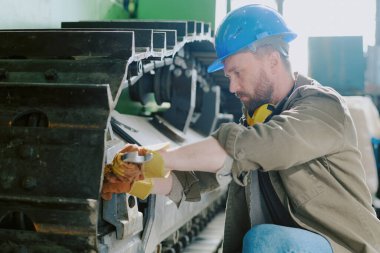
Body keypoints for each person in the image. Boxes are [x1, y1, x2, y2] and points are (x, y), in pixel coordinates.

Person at [103, 4, 380, 253]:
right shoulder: (257, 122)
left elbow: (256, 145)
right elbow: (191, 179)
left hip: (345, 247)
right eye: (228, 76)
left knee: (264, 241)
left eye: (238, 72)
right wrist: (136, 179)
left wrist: (148, 158)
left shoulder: (322, 107)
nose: (232, 87)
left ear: (272, 60)